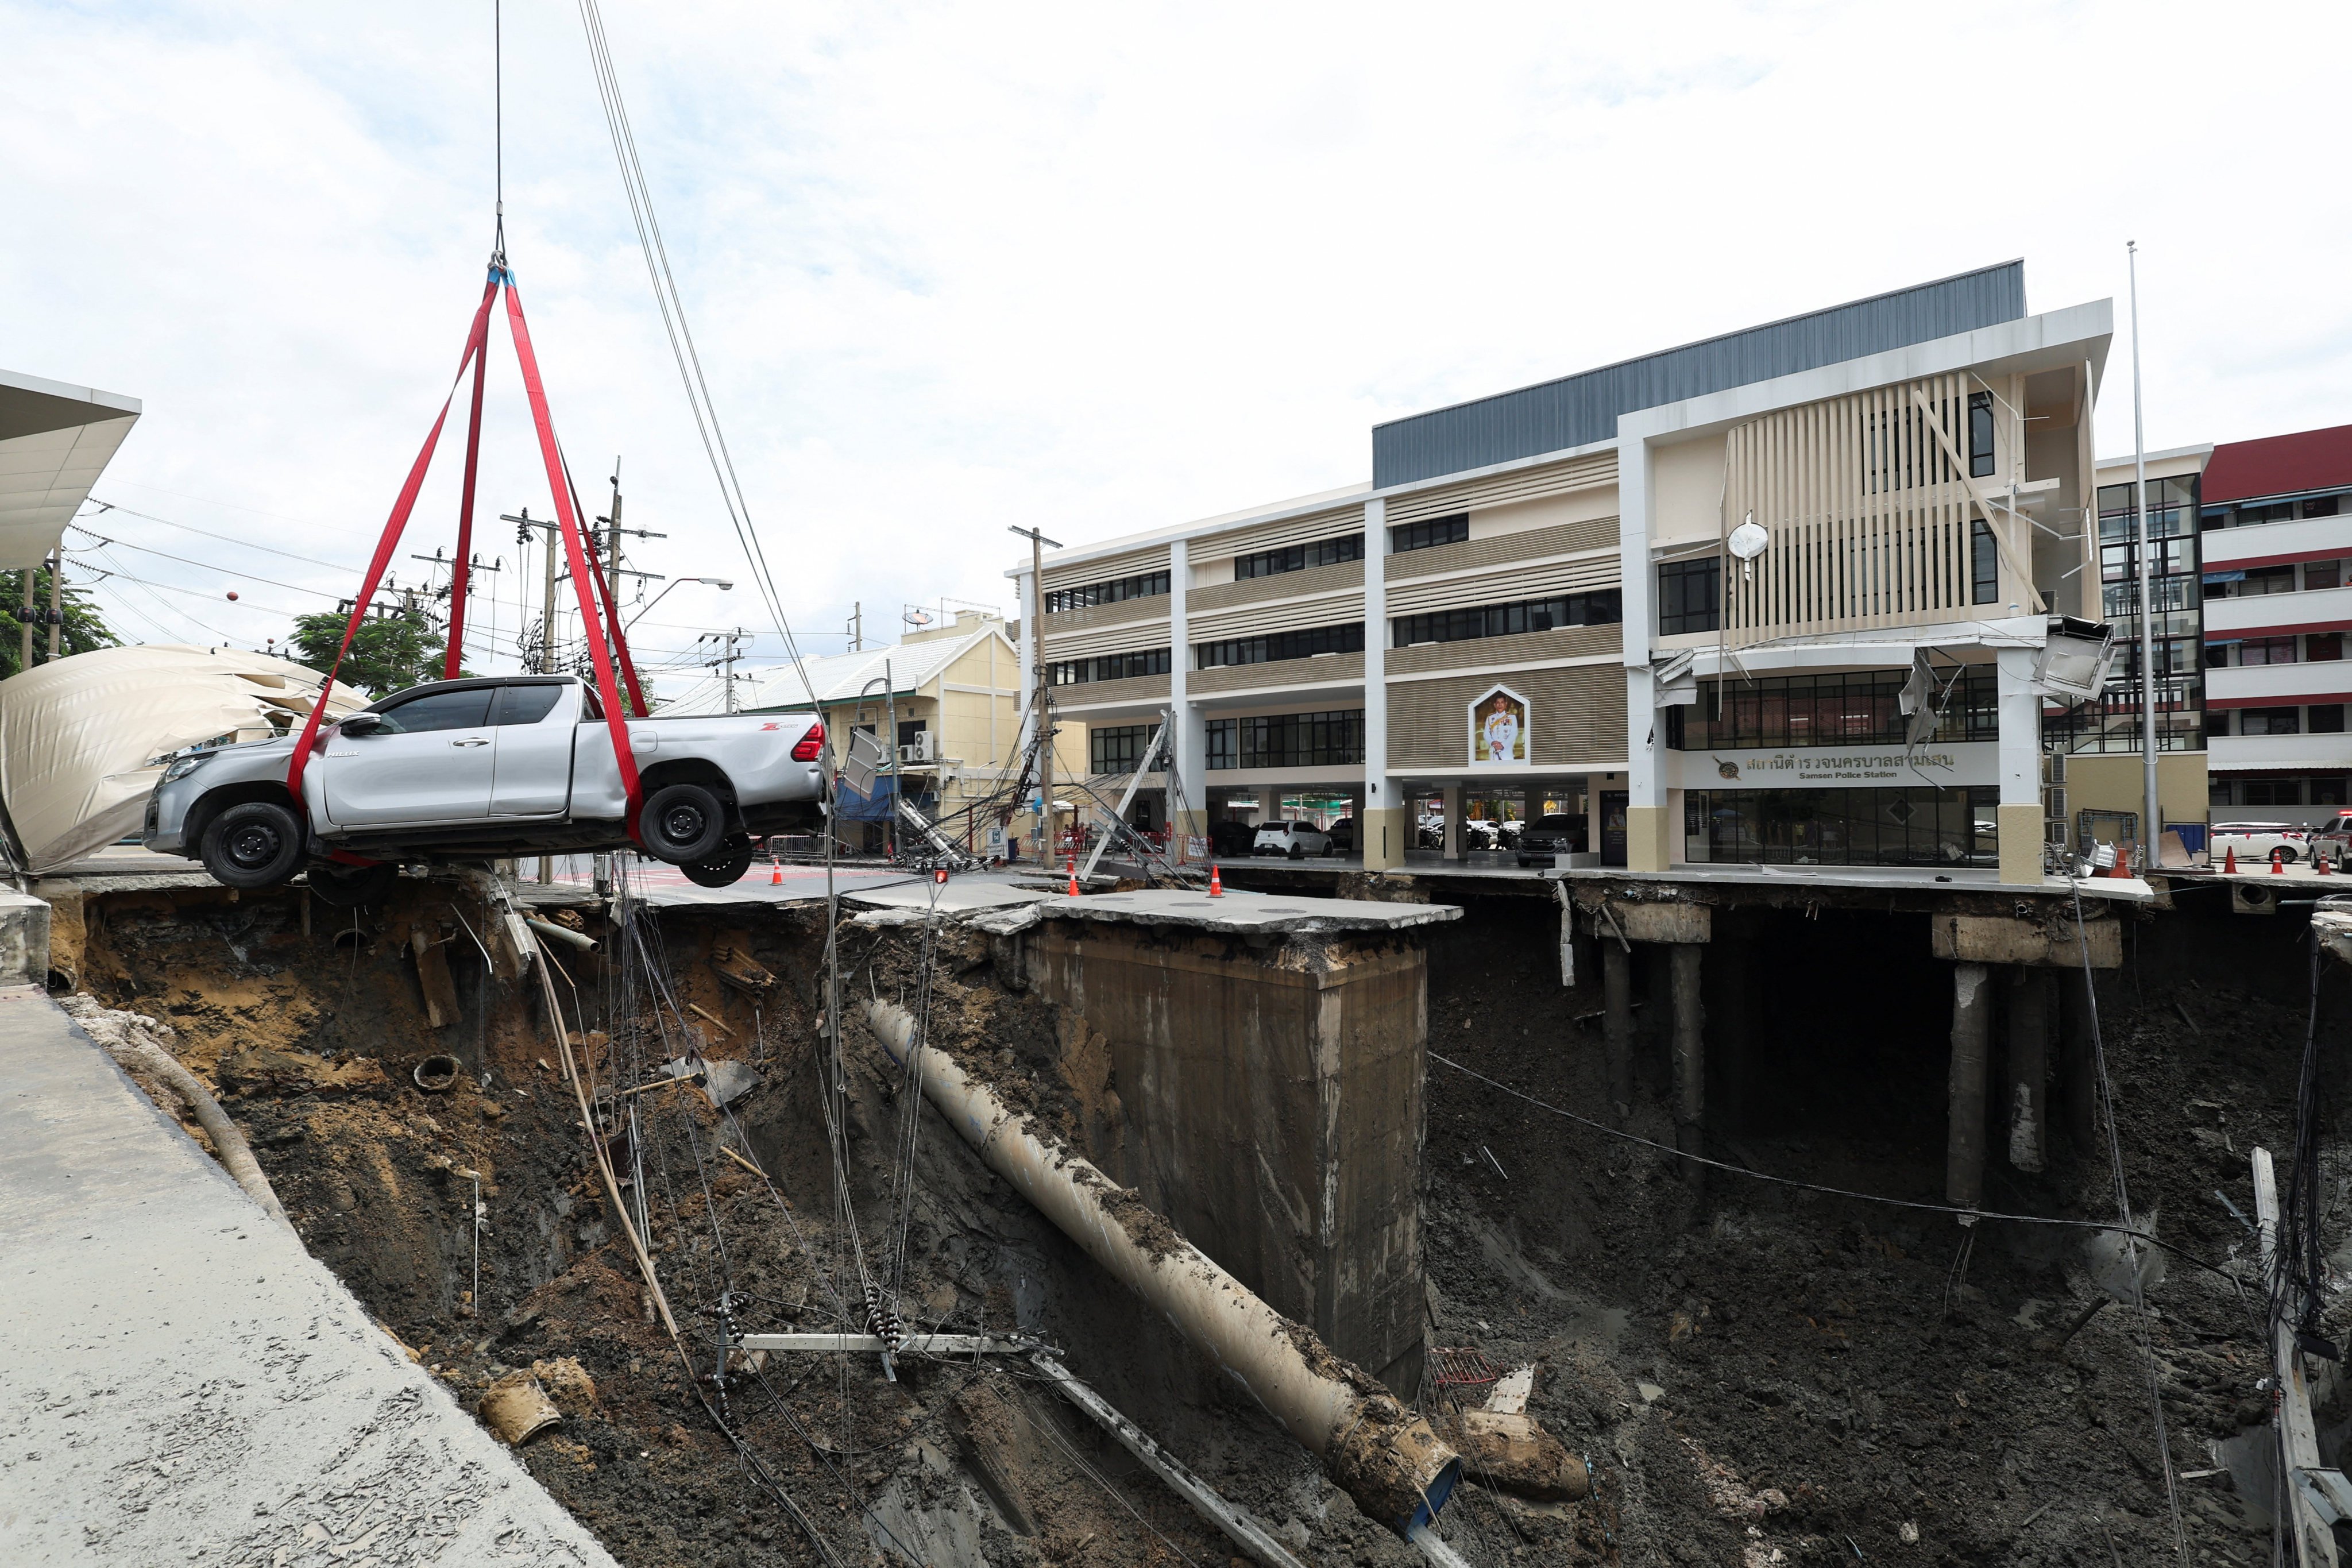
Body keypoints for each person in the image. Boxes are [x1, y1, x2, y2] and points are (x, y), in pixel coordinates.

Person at [1481, 694, 1521, 764]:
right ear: (1495, 705)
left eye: (1502, 702)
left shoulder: (1512, 717)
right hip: (1494, 751)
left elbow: (1514, 734)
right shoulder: (1490, 718)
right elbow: (1486, 734)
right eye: (1498, 703)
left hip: (1507, 752)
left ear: (1506, 704)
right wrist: (1493, 743)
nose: (1500, 705)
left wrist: (1503, 745)